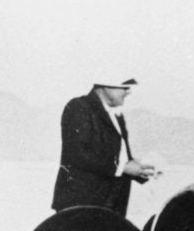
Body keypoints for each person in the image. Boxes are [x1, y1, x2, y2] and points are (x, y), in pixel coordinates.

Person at [51, 77, 157, 217]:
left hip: (111, 206)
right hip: (82, 205)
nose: (129, 92)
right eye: (125, 87)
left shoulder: (116, 115)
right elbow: (79, 154)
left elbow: (120, 158)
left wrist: (141, 170)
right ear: (106, 86)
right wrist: (123, 168)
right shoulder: (79, 107)